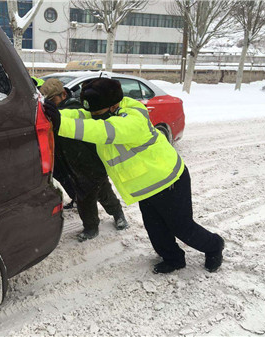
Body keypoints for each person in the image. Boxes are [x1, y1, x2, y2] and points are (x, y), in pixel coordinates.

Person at [43, 78, 224, 273]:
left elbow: (104, 131)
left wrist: (61, 124)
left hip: (168, 181)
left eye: (98, 114)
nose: (93, 117)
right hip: (145, 187)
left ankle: (214, 246)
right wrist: (52, 114)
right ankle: (173, 259)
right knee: (155, 228)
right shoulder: (102, 111)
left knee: (182, 228)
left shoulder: (133, 119)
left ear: (114, 106)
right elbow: (82, 114)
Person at [40, 78, 128, 242]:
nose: (51, 104)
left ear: (63, 94)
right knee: (91, 197)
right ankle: (101, 222)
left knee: (97, 195)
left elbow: (74, 122)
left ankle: (108, 219)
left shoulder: (77, 108)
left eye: (53, 100)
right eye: (48, 102)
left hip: (91, 162)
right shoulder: (50, 113)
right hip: (72, 165)